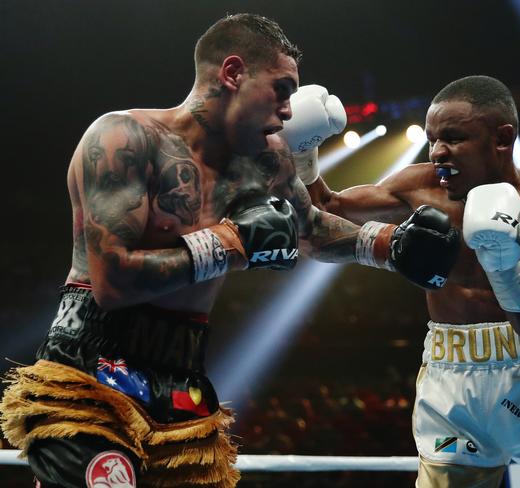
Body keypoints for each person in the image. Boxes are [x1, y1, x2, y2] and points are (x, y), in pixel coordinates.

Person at [0, 14, 459, 488]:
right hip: (91, 362)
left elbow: (310, 228)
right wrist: (229, 244)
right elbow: (113, 282)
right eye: (280, 89)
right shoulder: (124, 140)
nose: (287, 110)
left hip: (183, 369)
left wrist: (390, 245)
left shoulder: (267, 160)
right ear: (233, 73)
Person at [300, 76, 520, 487]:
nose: (438, 152)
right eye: (433, 138)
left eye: (454, 138)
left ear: (502, 139)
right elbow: (323, 210)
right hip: (452, 380)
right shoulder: (418, 186)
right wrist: (302, 154)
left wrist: (505, 267)